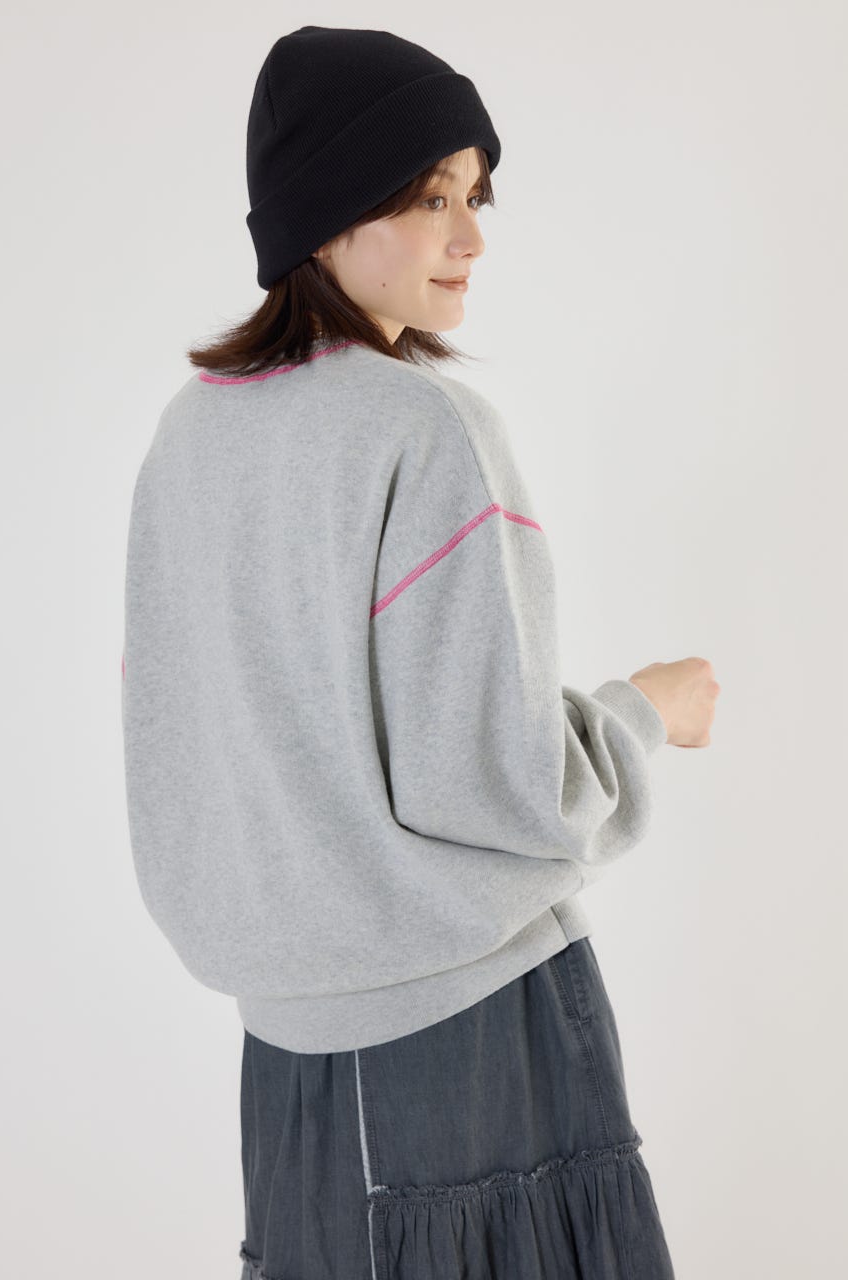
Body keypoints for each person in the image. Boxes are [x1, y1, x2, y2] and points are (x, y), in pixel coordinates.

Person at [121, 24, 720, 1279]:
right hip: (473, 1034)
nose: (470, 239)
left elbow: (199, 751)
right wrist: (641, 712)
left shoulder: (190, 437)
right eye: (429, 197)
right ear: (330, 210)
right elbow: (496, 787)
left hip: (283, 1063)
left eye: (474, 197)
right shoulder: (422, 427)